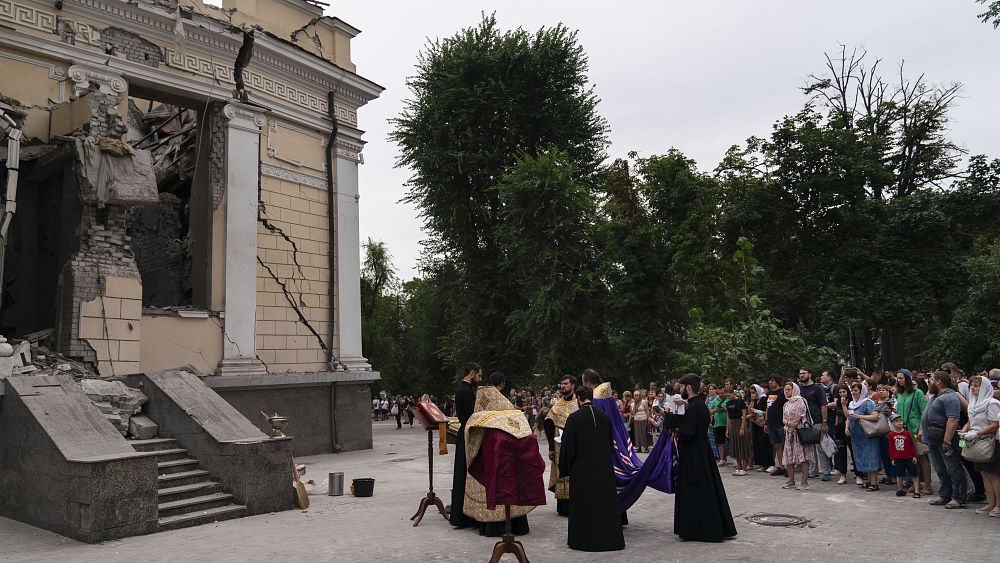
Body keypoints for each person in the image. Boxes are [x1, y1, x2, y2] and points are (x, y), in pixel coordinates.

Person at [463, 371, 543, 536]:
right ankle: (514, 524)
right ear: (502, 385)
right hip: (505, 455)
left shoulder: (479, 403)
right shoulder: (507, 408)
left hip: (485, 454)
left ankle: (490, 526)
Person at [660, 373, 736, 542]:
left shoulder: (695, 407)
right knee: (706, 487)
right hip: (701, 450)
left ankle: (699, 528)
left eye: (681, 387)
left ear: (688, 387)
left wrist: (674, 424)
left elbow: (688, 431)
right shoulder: (698, 404)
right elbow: (689, 423)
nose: (680, 391)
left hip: (694, 452)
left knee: (696, 488)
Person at [559, 386, 625, 552]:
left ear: (579, 398)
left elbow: (567, 447)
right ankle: (608, 539)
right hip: (603, 470)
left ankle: (584, 540)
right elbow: (611, 446)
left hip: (582, 471)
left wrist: (565, 467)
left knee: (585, 506)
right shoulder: (605, 417)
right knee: (603, 506)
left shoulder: (574, 418)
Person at [923, 370, 967, 509]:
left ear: (939, 381)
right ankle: (944, 494)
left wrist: (947, 441)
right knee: (940, 468)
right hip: (932, 439)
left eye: (931, 379)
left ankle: (958, 497)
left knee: (953, 468)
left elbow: (953, 419)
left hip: (945, 439)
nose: (929, 382)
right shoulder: (935, 396)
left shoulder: (950, 397)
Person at [959, 375, 1000, 516]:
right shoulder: (973, 403)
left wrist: (976, 434)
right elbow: (970, 421)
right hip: (976, 444)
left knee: (994, 475)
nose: (972, 388)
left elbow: (994, 425)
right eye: (972, 385)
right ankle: (991, 503)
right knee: (984, 475)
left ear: (985, 388)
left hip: (990, 443)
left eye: (976, 386)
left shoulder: (992, 403)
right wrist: (964, 430)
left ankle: (998, 506)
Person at [450, 362, 482, 528]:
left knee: (461, 473)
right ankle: (464, 517)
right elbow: (471, 417)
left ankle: (458, 516)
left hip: (463, 433)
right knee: (465, 473)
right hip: (467, 435)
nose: (479, 378)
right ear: (472, 373)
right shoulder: (467, 391)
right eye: (479, 375)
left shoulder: (462, 389)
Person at [544, 375, 578, 516]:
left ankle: (576, 503)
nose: (563, 386)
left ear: (573, 385)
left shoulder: (578, 403)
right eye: (561, 384)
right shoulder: (557, 405)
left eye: (566, 384)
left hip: (575, 445)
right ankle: (563, 506)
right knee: (560, 472)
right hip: (559, 447)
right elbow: (549, 425)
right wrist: (551, 448)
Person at [846, 382, 881, 491]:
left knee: (871, 456)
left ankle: (874, 483)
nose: (853, 392)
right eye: (852, 390)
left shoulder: (867, 402)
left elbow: (875, 416)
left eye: (856, 390)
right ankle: (869, 481)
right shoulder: (852, 403)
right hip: (856, 436)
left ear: (862, 391)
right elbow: (848, 417)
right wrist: (846, 427)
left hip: (867, 435)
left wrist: (859, 416)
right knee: (862, 457)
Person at [781, 382, 815, 490]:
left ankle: (804, 482)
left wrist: (789, 423)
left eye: (789, 389)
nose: (786, 391)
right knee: (789, 457)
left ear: (794, 389)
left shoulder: (800, 401)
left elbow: (797, 419)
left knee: (803, 457)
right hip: (789, 433)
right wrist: (787, 423)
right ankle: (791, 480)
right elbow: (783, 418)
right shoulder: (786, 404)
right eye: (785, 390)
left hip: (799, 433)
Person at [797, 368, 829, 480]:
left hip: (817, 420)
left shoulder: (817, 388)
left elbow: (823, 405)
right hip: (804, 422)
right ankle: (812, 470)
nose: (801, 375)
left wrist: (824, 422)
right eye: (800, 373)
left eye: (804, 373)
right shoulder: (799, 389)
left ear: (809, 374)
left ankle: (826, 471)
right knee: (808, 447)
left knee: (821, 447)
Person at [888, 413, 919, 498]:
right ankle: (900, 489)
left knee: (914, 474)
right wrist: (892, 459)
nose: (899, 422)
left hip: (909, 457)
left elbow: (912, 445)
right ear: (892, 423)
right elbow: (891, 448)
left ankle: (917, 490)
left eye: (900, 420)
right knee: (899, 475)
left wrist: (914, 456)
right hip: (898, 458)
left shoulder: (907, 433)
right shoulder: (891, 435)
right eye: (896, 421)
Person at [764, 376, 787, 477]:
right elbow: (768, 407)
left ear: (777, 382)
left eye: (772, 381)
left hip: (781, 423)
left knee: (785, 445)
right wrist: (766, 421)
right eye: (769, 380)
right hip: (771, 423)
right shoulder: (769, 393)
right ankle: (781, 466)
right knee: (777, 445)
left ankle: (788, 466)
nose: (770, 382)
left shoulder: (782, 392)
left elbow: (786, 407)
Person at [726, 387, 751, 476]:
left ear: (733, 393)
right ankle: (739, 467)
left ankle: (744, 468)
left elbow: (744, 415)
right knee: (735, 446)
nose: (728, 397)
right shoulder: (728, 403)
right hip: (732, 425)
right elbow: (728, 416)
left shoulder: (740, 402)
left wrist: (742, 428)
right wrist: (727, 429)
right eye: (727, 396)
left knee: (742, 446)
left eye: (729, 395)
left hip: (739, 423)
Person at [830, 386, 850, 484]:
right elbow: (837, 415)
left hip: (849, 429)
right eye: (840, 392)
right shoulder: (838, 403)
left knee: (852, 451)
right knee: (841, 452)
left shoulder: (851, 402)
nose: (842, 394)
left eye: (844, 392)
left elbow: (848, 415)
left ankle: (859, 475)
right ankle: (843, 474)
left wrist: (844, 405)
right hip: (839, 428)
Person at [749, 384, 772, 472]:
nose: (753, 394)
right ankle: (760, 463)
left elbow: (765, 411)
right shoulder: (755, 400)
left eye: (754, 392)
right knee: (757, 443)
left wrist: (756, 411)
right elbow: (750, 409)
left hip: (762, 424)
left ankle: (767, 463)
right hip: (755, 423)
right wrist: (752, 400)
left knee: (764, 444)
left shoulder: (764, 399)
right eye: (751, 393)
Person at [709, 387, 729, 467]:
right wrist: (716, 410)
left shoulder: (728, 400)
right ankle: (722, 459)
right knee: (720, 442)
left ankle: (732, 458)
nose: (721, 395)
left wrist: (724, 410)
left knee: (730, 441)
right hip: (718, 424)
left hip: (727, 424)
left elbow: (731, 411)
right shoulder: (715, 400)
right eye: (719, 393)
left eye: (722, 393)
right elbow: (710, 411)